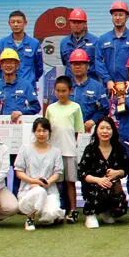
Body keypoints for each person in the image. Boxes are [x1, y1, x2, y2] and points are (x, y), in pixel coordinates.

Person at [45, 75, 85, 223]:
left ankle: (73, 210)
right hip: (54, 152)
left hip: (70, 151)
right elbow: (47, 130)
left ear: (70, 91)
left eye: (64, 91)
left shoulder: (76, 107)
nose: (61, 94)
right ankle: (57, 210)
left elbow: (77, 130)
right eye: (58, 91)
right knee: (56, 183)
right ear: (54, 91)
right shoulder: (50, 108)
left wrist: (72, 146)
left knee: (70, 182)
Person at [77, 116, 129, 228]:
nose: (105, 131)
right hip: (93, 187)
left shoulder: (119, 148)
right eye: (102, 128)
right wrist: (98, 180)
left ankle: (106, 211)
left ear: (113, 131)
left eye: (108, 128)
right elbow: (81, 172)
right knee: (98, 190)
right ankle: (90, 214)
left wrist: (118, 172)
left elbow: (126, 169)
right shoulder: (90, 149)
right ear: (96, 130)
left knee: (120, 206)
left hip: (112, 186)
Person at [14, 117, 64, 230]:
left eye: (44, 131)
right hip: (28, 190)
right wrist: (33, 182)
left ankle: (55, 214)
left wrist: (47, 182)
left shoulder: (56, 151)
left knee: (50, 216)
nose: (41, 134)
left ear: (49, 132)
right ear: (34, 132)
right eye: (38, 131)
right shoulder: (25, 149)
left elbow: (57, 173)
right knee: (38, 191)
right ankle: (30, 218)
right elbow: (19, 172)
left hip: (49, 190)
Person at [0, 48, 42, 125]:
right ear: (1, 66)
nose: (8, 65)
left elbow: (36, 107)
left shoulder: (26, 86)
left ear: (17, 65)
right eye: (5, 63)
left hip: (20, 128)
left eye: (11, 63)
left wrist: (22, 112)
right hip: (0, 128)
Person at [97, 0, 129, 91]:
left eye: (121, 15)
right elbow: (98, 62)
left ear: (127, 17)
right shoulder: (103, 39)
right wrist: (107, 80)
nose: (117, 18)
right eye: (115, 15)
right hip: (109, 87)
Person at [0, 10, 44, 88]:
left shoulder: (34, 43)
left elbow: (39, 68)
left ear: (25, 23)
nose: (16, 24)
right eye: (13, 22)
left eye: (19, 22)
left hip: (28, 87)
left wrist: (30, 80)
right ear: (9, 24)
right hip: (8, 87)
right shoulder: (3, 43)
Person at [67, 48, 108, 134]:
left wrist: (93, 120)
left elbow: (104, 109)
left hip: (88, 131)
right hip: (68, 130)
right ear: (70, 66)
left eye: (81, 64)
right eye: (74, 64)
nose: (77, 67)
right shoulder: (65, 86)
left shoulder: (97, 87)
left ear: (88, 66)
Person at [59, 7, 100, 81]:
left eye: (79, 22)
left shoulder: (96, 42)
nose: (76, 25)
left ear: (85, 24)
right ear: (70, 23)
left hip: (90, 83)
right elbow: (65, 63)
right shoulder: (64, 43)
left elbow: (99, 65)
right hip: (71, 84)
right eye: (74, 22)